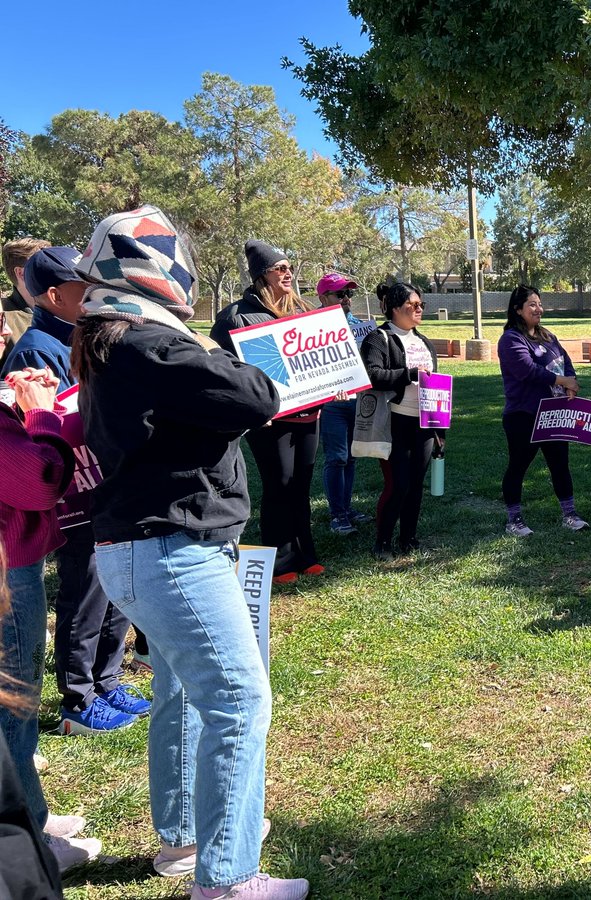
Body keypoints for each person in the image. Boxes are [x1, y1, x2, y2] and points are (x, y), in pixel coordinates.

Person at [72, 206, 307, 898]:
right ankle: (228, 877)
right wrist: (236, 347)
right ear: (156, 272)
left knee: (184, 698)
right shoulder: (150, 346)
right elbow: (257, 392)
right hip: (174, 551)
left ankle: (184, 839)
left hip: (144, 551)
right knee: (237, 700)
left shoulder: (115, 341)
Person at [3, 247, 147, 735]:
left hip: (105, 484)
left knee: (113, 590)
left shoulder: (87, 334)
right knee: (84, 591)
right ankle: (78, 699)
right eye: (82, 286)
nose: (93, 293)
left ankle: (106, 682)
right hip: (73, 492)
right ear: (54, 294)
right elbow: (34, 426)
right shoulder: (38, 347)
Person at [1, 365, 102, 873]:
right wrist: (41, 413)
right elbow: (38, 481)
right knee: (12, 709)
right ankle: (30, 842)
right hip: (6, 572)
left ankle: (30, 813)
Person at [212, 241, 321, 585]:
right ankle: (282, 558)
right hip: (270, 419)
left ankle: (307, 553)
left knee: (301, 485)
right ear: (262, 275)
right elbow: (222, 365)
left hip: (310, 415)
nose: (288, 273)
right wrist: (248, 404)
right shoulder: (236, 315)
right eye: (280, 268)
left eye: (290, 267)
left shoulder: (304, 310)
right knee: (279, 486)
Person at [0, 544, 65, 899]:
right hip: (14, 557)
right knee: (15, 715)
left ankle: (32, 813)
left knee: (20, 713)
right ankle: (33, 833)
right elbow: (31, 492)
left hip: (19, 554)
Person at [361, 282, 443, 560]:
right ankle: (382, 542)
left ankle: (408, 538)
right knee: (398, 484)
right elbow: (371, 375)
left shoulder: (424, 342)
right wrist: (408, 374)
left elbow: (436, 385)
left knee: (416, 484)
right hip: (393, 422)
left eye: (421, 305)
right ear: (396, 308)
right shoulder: (377, 339)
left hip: (423, 423)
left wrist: (439, 429)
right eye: (413, 305)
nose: (419, 309)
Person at [497, 285, 587, 536]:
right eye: (532, 305)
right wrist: (562, 382)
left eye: (539, 304)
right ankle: (514, 521)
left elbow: (565, 362)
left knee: (560, 465)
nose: (538, 309)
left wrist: (571, 382)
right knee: (518, 466)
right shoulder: (511, 339)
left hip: (554, 413)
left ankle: (570, 515)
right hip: (523, 415)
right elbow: (527, 370)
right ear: (517, 310)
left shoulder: (547, 336)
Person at [315, 273, 374, 535]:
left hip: (357, 400)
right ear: (323, 297)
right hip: (330, 404)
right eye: (340, 294)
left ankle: (347, 508)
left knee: (351, 459)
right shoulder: (309, 327)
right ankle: (337, 514)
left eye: (349, 294)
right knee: (336, 458)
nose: (346, 299)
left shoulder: (360, 327)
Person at [1, 238, 51, 367]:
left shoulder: (62, 309)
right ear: (21, 273)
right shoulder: (4, 318)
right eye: (43, 265)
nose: (53, 270)